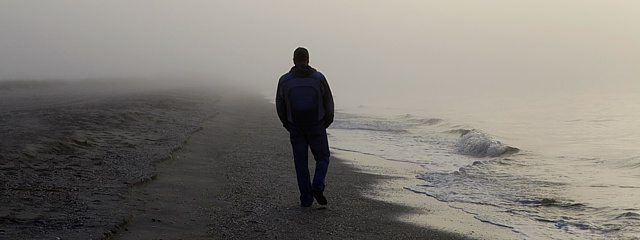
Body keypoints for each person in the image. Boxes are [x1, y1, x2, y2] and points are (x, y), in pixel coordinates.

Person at [276, 47, 334, 207]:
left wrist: (287, 124)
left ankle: (306, 199)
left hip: (296, 127)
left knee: (301, 163)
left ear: (294, 60)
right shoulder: (318, 78)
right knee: (323, 158)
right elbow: (329, 102)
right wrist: (326, 122)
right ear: (308, 60)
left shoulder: (284, 80)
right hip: (316, 126)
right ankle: (317, 185)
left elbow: (280, 106)